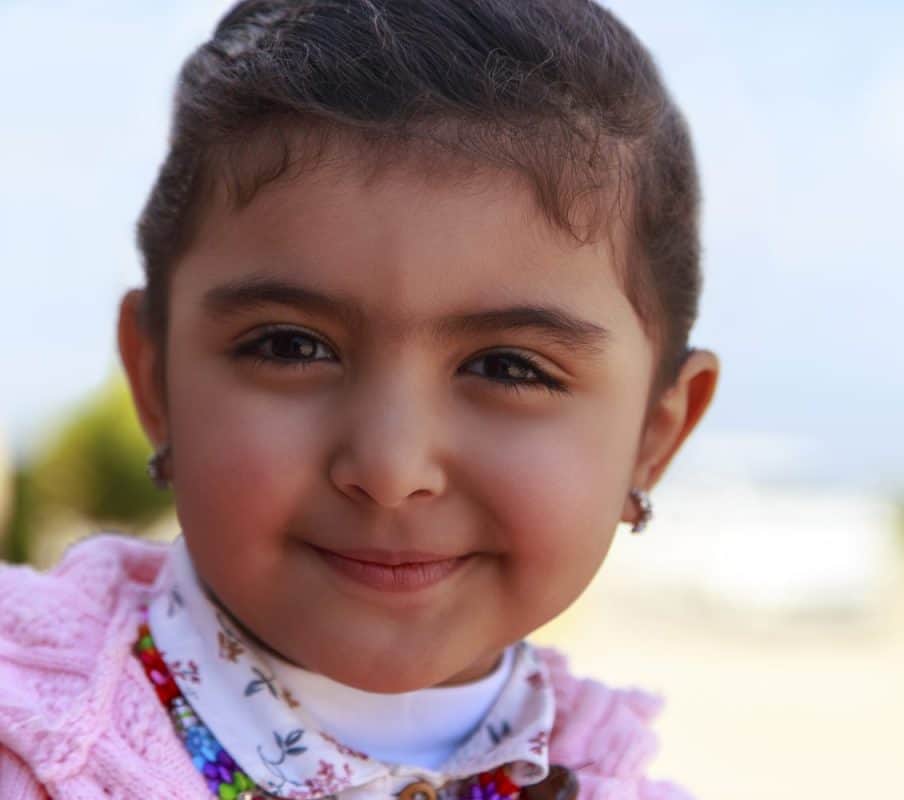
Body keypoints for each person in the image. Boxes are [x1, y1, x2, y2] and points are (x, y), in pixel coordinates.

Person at [0, 1, 718, 797]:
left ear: (655, 437)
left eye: (510, 367)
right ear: (154, 377)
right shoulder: (28, 740)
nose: (389, 466)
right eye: (289, 346)